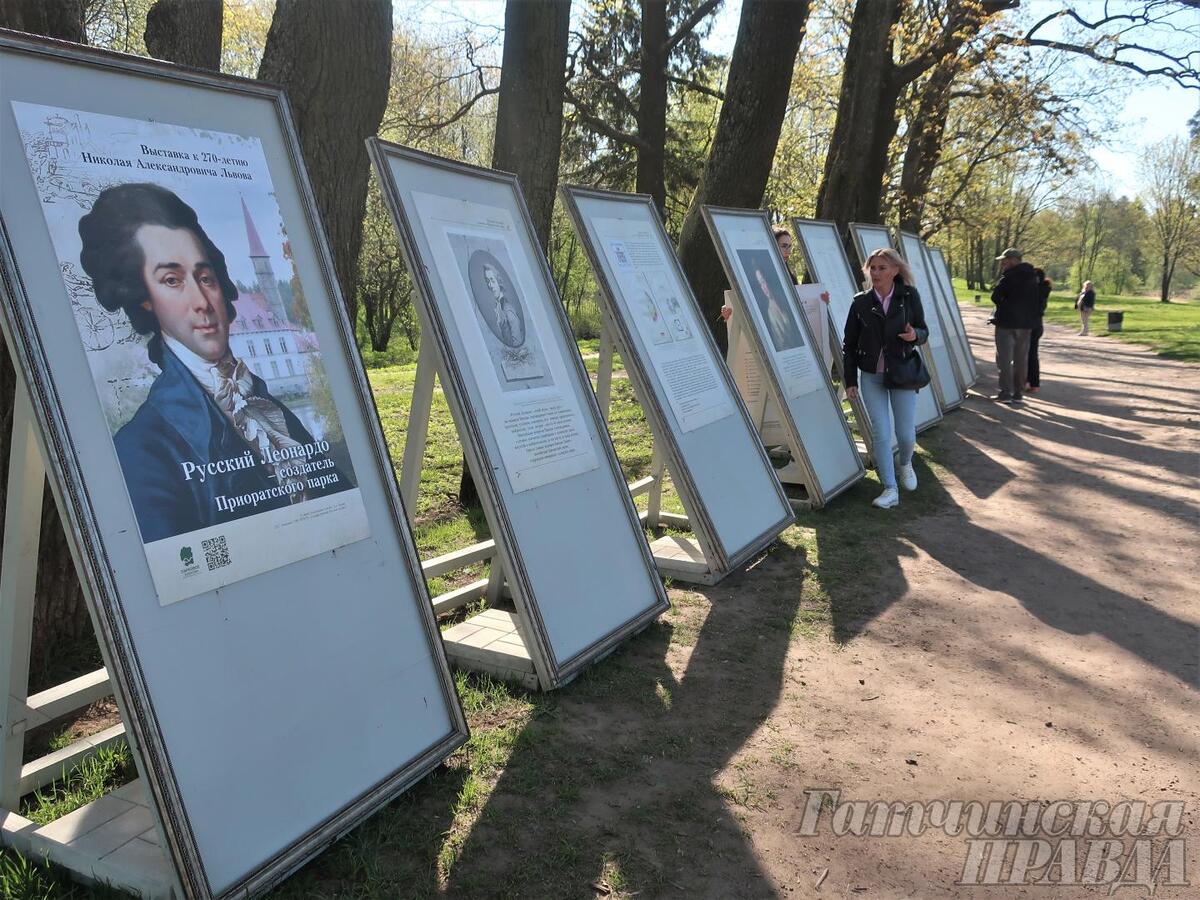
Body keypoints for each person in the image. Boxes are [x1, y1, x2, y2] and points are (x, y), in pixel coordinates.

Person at [78, 182, 345, 543]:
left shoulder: (265, 408)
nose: (202, 300)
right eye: (171, 280)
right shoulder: (141, 450)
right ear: (143, 299)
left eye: (206, 278)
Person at [842, 248, 928, 509]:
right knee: (880, 433)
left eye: (882, 268)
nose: (876, 273)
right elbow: (850, 344)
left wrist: (915, 336)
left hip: (901, 373)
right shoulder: (860, 302)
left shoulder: (909, 296)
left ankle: (905, 463)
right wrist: (850, 380)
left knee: (905, 434)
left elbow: (924, 330)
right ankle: (890, 489)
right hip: (871, 377)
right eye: (873, 268)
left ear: (895, 271)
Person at [989, 248, 1041, 405]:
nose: (1003, 263)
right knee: (1021, 360)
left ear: (1013, 260)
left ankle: (1005, 393)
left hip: (1006, 323)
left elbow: (995, 296)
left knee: (1004, 359)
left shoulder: (1008, 276)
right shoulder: (1034, 277)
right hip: (1025, 325)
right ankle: (1018, 393)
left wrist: (1005, 305)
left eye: (1005, 260)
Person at [1027, 268, 1051, 393]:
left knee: (1026, 355)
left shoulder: (1034, 291)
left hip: (1030, 324)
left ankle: (1028, 381)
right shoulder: (1044, 289)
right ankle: (1034, 383)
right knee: (1033, 355)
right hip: (1038, 325)